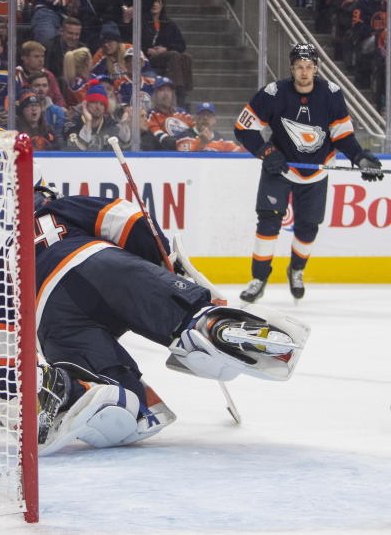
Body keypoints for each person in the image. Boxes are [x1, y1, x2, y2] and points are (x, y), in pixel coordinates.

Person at [31, 189, 308, 453]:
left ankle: (70, 389)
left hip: (52, 317)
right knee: (185, 318)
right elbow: (130, 220)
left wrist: (4, 391)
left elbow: (1, 333)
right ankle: (214, 326)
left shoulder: (4, 257)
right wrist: (162, 264)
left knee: (132, 411)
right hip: (101, 266)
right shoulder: (59, 208)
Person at [234, 42, 383, 303]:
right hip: (280, 168)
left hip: (316, 172)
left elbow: (342, 134)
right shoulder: (273, 93)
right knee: (268, 221)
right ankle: (259, 278)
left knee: (308, 228)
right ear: (292, 69)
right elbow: (243, 128)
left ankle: (297, 270)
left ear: (316, 69)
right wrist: (266, 152)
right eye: (299, 67)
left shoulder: (331, 94)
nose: (304, 72)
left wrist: (359, 157)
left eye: (309, 67)